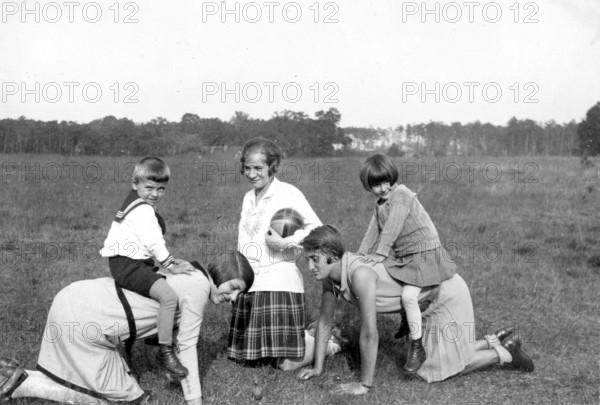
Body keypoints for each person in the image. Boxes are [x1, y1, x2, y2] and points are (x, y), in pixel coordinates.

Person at [298, 225, 534, 395]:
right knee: (437, 360)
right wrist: (317, 367)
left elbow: (370, 333)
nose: (309, 266)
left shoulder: (359, 275)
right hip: (423, 306)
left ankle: (506, 353)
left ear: (331, 255)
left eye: (314, 259)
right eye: (307, 259)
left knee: (433, 371)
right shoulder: (329, 276)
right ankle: (497, 340)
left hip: (444, 295)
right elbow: (324, 322)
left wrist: (364, 385)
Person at [0, 252, 255, 405]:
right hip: (87, 316)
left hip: (77, 298)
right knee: (118, 399)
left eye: (239, 294)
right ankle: (24, 386)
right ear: (220, 273)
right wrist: (194, 401)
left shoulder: (188, 270)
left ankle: (15, 375)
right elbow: (187, 346)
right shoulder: (198, 286)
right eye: (232, 287)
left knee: (78, 377)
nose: (233, 298)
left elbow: (166, 332)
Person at [357, 154, 457, 373]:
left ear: (393, 178)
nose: (383, 188)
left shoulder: (401, 194)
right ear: (368, 185)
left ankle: (416, 346)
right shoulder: (381, 204)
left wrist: (381, 254)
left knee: (408, 296)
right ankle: (406, 318)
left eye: (386, 182)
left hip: (424, 253)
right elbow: (372, 230)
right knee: (391, 282)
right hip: (406, 256)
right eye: (376, 184)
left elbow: (393, 227)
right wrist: (360, 256)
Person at [229, 138, 322, 366]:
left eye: (258, 168)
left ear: (273, 167)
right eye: (247, 168)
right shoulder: (248, 197)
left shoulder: (288, 193)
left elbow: (317, 229)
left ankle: (327, 343)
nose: (252, 174)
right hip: (250, 284)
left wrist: (286, 243)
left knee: (285, 364)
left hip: (279, 283)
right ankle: (307, 335)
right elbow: (243, 241)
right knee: (247, 361)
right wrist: (236, 280)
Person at [99, 156, 195, 379]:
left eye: (161, 189)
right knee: (169, 297)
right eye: (149, 187)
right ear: (135, 184)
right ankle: (165, 351)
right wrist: (171, 265)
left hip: (130, 262)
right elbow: (154, 242)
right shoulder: (142, 210)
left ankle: (154, 333)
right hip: (128, 265)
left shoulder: (136, 202)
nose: (155, 194)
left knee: (161, 292)